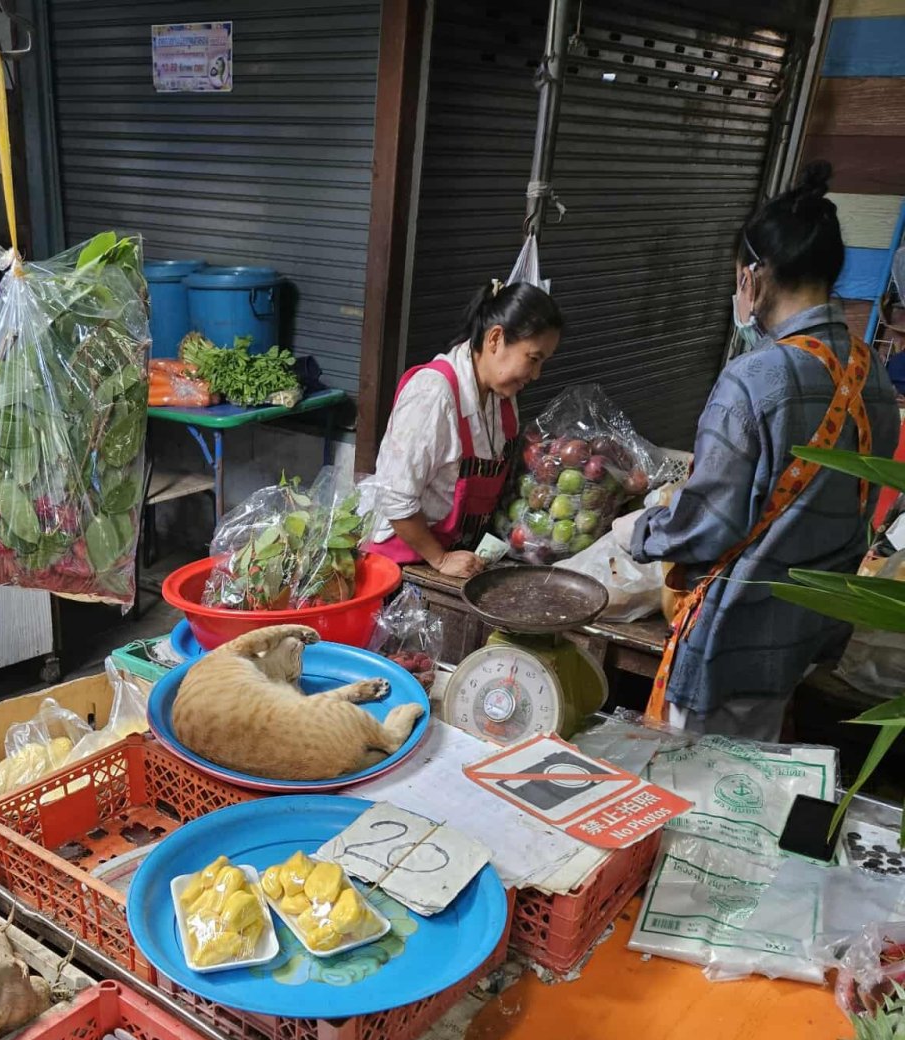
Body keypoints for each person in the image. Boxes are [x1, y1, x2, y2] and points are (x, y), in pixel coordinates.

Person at [626, 161, 899, 740]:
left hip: (734, 632)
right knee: (749, 767)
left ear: (754, 274)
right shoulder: (872, 374)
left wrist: (642, 530)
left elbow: (709, 523)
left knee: (689, 783)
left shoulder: (754, 379)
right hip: (808, 626)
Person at [369, 280, 564, 579]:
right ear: (495, 339)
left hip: (461, 556)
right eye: (533, 359)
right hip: (406, 564)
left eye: (543, 363)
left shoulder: (503, 398)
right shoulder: (435, 394)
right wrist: (441, 559)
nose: (536, 375)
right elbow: (394, 497)